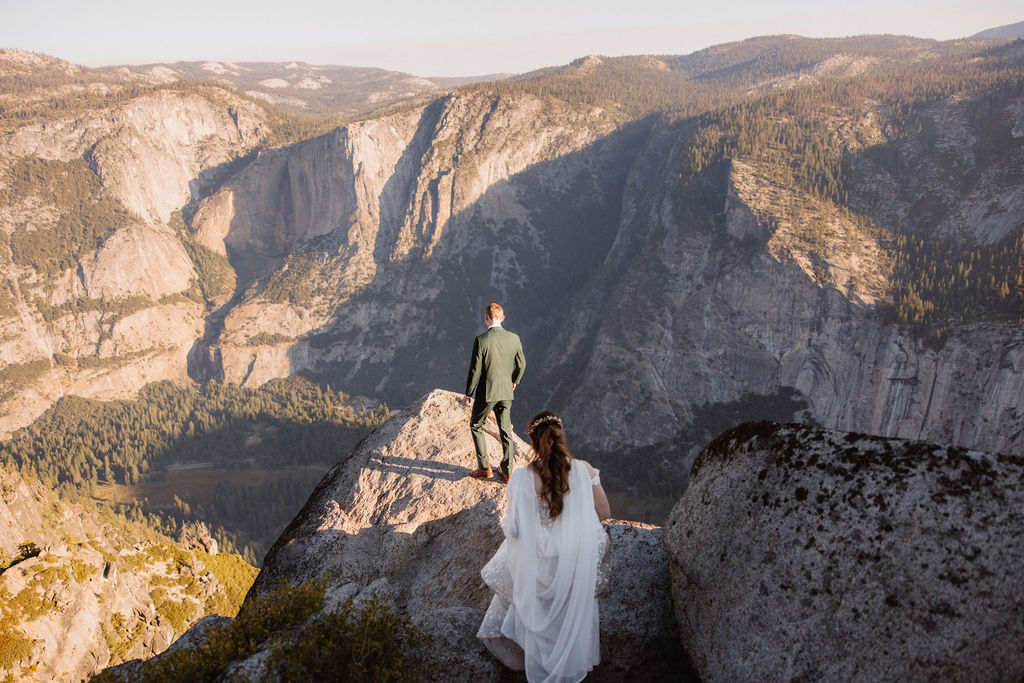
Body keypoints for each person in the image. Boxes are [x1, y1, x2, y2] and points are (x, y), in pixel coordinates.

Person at [477, 410, 612, 683]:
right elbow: (603, 512)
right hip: (574, 564)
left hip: (538, 570)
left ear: (532, 441)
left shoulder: (522, 478)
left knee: (513, 555)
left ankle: (530, 658)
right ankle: (564, 663)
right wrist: (571, 525)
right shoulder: (584, 470)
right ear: (560, 436)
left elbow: (513, 529)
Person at [464, 302, 526, 482]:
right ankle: (507, 471)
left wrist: (469, 393)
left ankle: (484, 468)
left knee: (476, 424)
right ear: (503, 317)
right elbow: (522, 365)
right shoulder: (514, 338)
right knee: (505, 429)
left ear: (486, 318)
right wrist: (514, 380)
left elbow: (474, 370)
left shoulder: (481, 340)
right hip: (506, 391)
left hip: (486, 392)